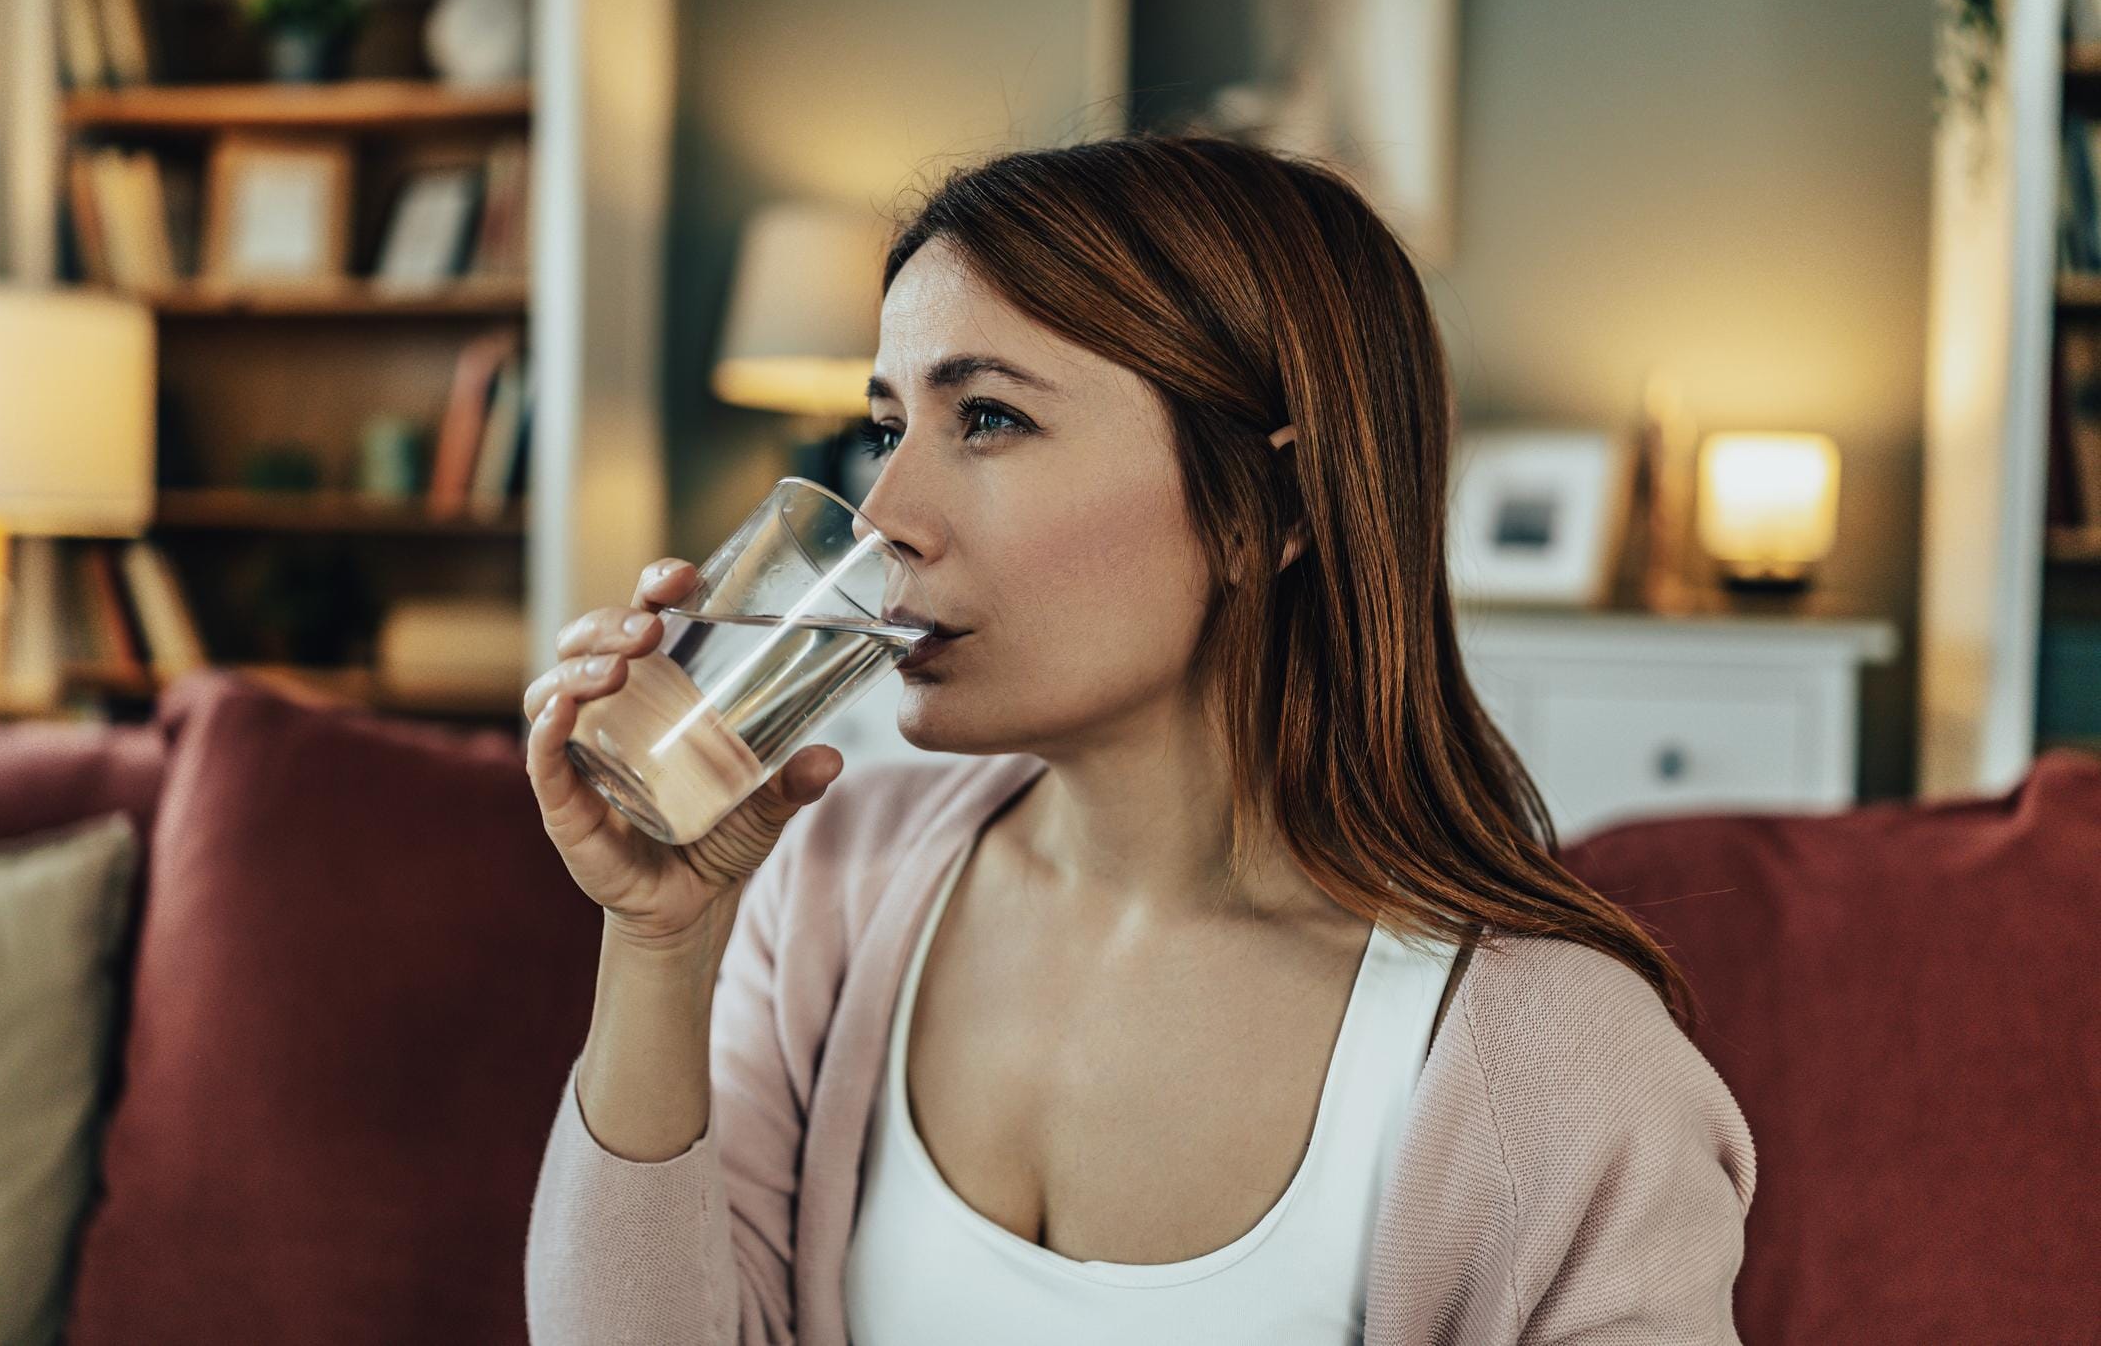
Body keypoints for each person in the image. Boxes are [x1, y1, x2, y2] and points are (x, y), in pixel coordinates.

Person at [521, 134, 1756, 1345]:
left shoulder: (1568, 1073)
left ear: (1268, 507)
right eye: (890, 427)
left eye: (990, 418)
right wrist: (660, 945)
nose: (884, 515)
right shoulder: (830, 888)